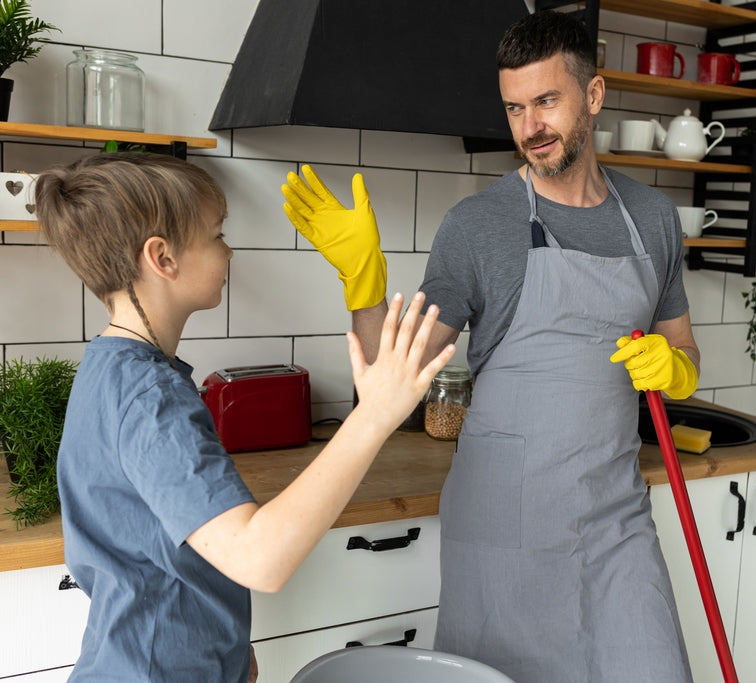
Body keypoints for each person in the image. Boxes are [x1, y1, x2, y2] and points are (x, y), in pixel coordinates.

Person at [281, 10, 701, 681]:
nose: (530, 127)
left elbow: (685, 350)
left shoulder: (652, 218)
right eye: (514, 108)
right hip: (501, 526)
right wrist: (364, 282)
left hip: (616, 519)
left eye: (546, 101)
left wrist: (676, 370)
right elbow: (389, 385)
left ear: (592, 96)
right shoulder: (478, 225)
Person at [34, 152, 455, 682]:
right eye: (216, 234)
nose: (229, 251)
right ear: (162, 257)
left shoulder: (114, 364)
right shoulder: (150, 395)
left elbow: (164, 542)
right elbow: (259, 559)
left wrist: (224, 643)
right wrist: (371, 417)